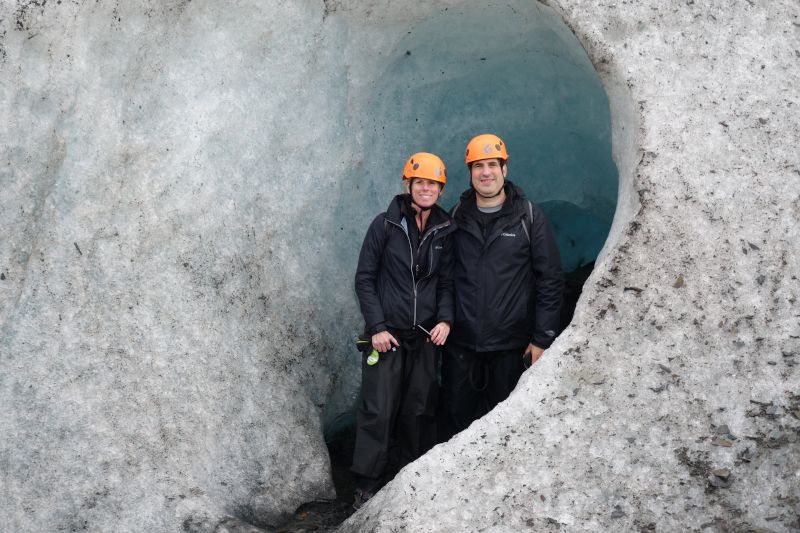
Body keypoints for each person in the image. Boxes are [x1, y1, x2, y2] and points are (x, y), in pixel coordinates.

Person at [439, 134, 564, 441]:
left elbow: (550, 278)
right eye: (478, 166)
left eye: (492, 164)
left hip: (510, 346)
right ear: (470, 173)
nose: (486, 172)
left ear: (504, 169)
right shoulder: (457, 216)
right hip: (462, 346)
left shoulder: (530, 217)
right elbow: (445, 276)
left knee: (505, 432)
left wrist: (543, 338)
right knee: (456, 425)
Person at [351, 152, 455, 508]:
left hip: (425, 335)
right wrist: (377, 327)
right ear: (408, 185)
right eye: (420, 182)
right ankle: (366, 483)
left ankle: (411, 477)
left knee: (419, 409)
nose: (426, 188)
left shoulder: (445, 230)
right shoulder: (384, 225)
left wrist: (445, 319)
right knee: (378, 409)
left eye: (433, 184)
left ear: (441, 190)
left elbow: (446, 282)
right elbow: (365, 279)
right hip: (388, 335)